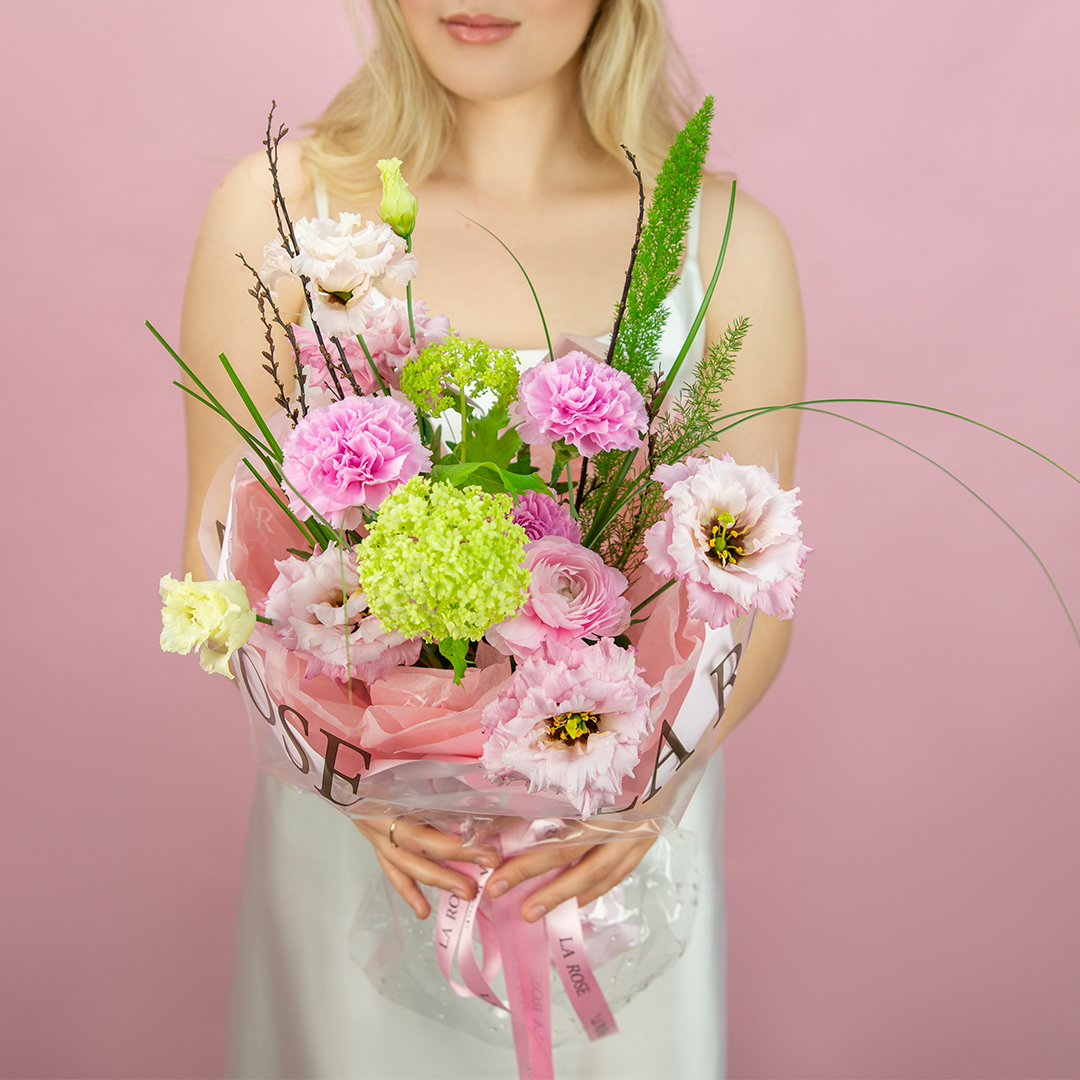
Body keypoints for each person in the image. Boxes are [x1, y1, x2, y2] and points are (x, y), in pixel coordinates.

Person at [180, 1, 805, 1076]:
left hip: (602, 864)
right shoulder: (280, 208)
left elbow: (757, 596)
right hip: (372, 853)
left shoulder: (724, 240)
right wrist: (350, 780)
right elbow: (218, 568)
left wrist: (639, 796)